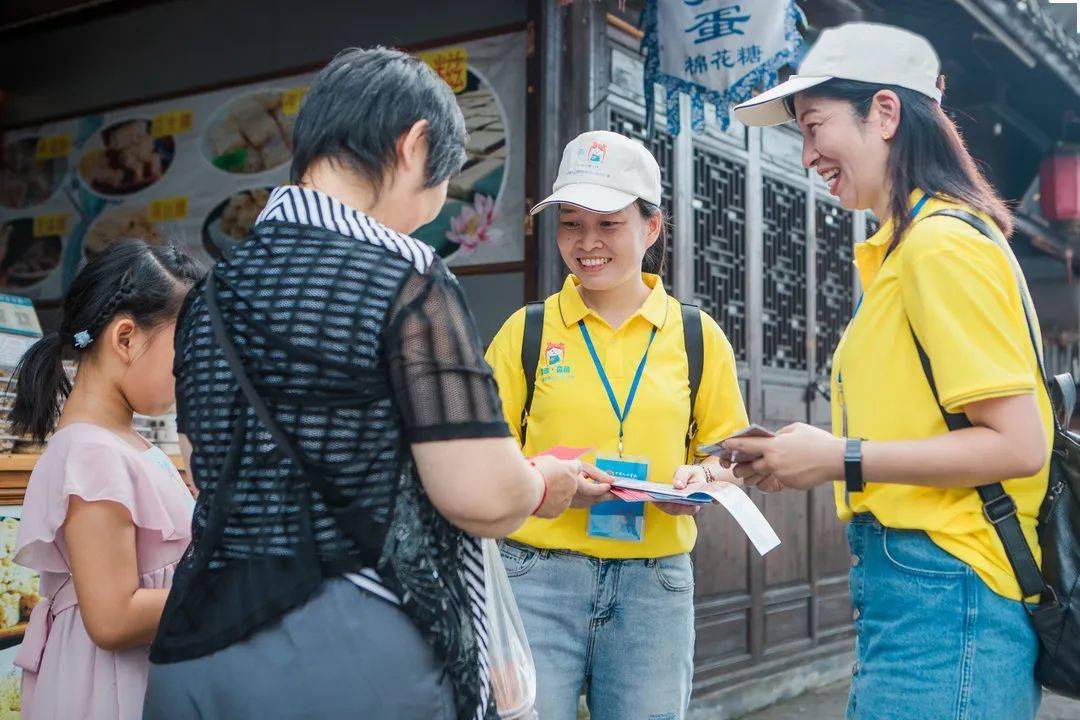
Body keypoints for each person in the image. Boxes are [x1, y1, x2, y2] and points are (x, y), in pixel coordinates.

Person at [144, 47, 600, 720]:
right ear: (414, 145)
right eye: (443, 178)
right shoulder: (405, 276)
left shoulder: (210, 295)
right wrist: (542, 485)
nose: (433, 208)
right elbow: (479, 493)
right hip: (351, 658)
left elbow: (203, 464)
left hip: (194, 655)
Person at [728, 22, 1054, 720]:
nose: (808, 152)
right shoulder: (911, 247)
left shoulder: (939, 246)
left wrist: (838, 458)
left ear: (884, 112)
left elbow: (1019, 445)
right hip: (925, 589)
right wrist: (800, 454)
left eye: (815, 126)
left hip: (948, 589)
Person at [484, 130, 749, 720]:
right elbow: (482, 462)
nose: (587, 243)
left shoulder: (696, 337)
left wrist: (701, 480)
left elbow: (728, 454)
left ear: (651, 228)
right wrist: (544, 482)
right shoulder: (524, 333)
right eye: (571, 224)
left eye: (608, 223)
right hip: (535, 576)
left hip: (654, 585)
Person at [9, 239, 203, 719]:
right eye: (187, 350)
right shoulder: (91, 452)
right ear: (125, 338)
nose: (193, 372)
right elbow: (113, 617)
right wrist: (235, 586)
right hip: (111, 690)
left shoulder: (126, 443)